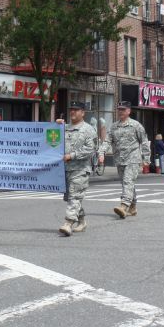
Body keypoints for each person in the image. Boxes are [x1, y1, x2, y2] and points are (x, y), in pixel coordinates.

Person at [99, 101, 150, 218]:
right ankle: (132, 207)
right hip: (120, 160)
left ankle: (124, 206)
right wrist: (101, 153)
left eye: (123, 109)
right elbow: (107, 141)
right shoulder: (114, 126)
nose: (120, 111)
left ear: (128, 111)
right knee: (127, 183)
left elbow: (144, 142)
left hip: (133, 159)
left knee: (127, 181)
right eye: (119, 109)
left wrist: (146, 159)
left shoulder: (136, 125)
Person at [56, 102, 96, 237]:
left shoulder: (88, 129)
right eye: (71, 109)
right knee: (72, 197)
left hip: (80, 170)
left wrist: (71, 156)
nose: (73, 112)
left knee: (74, 196)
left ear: (83, 113)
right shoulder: (64, 128)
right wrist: (55, 125)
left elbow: (90, 149)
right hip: (65, 170)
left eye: (76, 110)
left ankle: (68, 223)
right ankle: (82, 221)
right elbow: (52, 140)